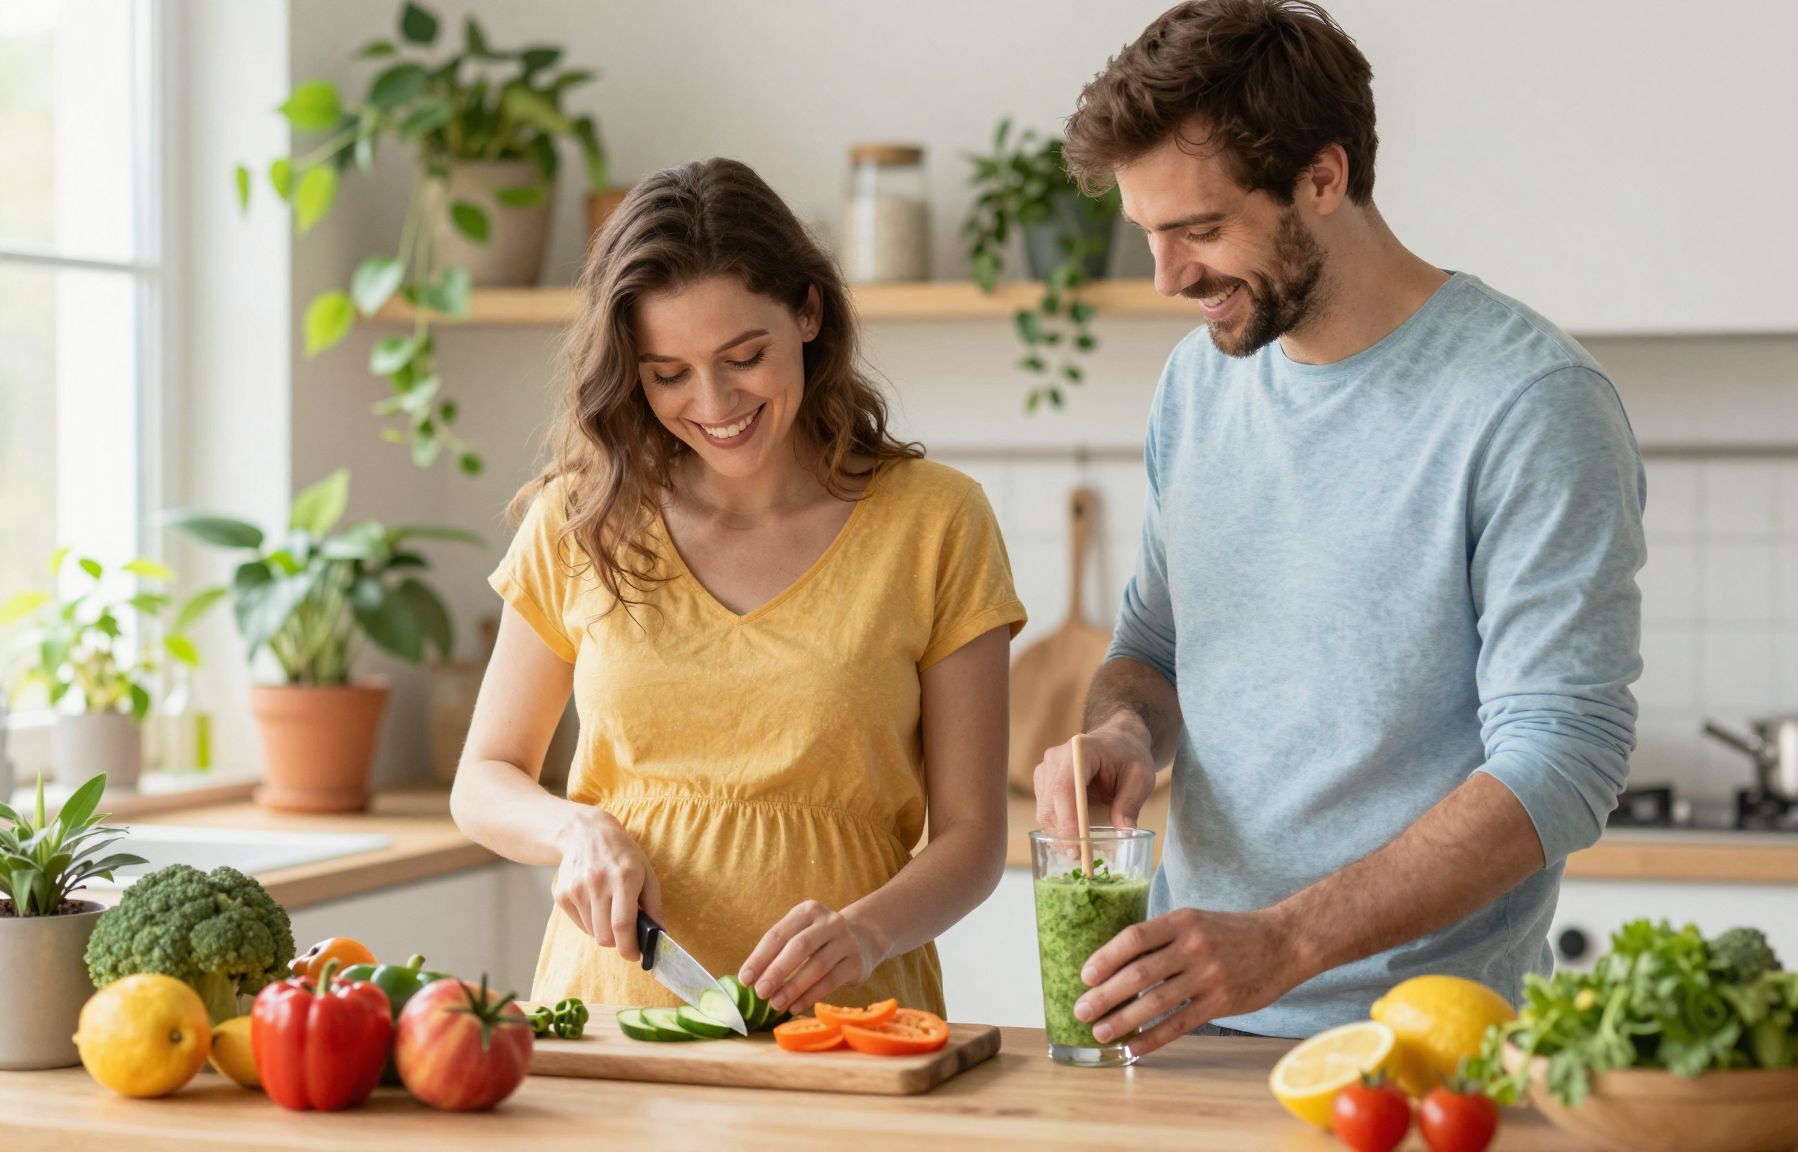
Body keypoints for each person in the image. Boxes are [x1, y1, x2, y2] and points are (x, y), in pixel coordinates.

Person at [1034, 0, 1645, 1054]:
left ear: (1322, 179)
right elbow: (1152, 649)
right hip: (1192, 1026)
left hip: (1427, 1043)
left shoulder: (1527, 401)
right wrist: (1125, 733)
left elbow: (1563, 758)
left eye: (1199, 229)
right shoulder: (1198, 384)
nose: (1166, 277)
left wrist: (1284, 941)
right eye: (1148, 234)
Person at [452, 158, 1025, 1019]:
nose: (713, 402)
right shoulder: (580, 518)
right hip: (612, 1020)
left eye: (743, 356)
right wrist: (576, 831)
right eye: (667, 372)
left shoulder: (938, 522)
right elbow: (484, 779)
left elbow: (975, 838)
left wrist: (867, 933)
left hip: (848, 1026)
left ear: (808, 311)